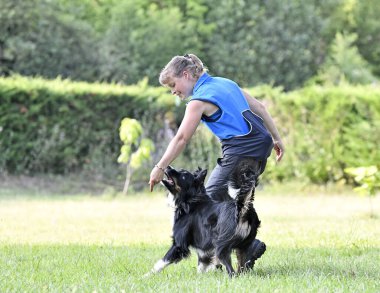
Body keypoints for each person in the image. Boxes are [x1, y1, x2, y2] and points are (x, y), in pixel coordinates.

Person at [149, 53, 285, 269]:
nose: (174, 91)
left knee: (207, 203)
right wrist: (277, 138)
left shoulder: (199, 100)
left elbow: (182, 138)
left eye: (174, 85)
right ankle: (243, 252)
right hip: (261, 146)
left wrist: (160, 167)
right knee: (237, 203)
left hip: (241, 150)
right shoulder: (225, 83)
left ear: (186, 75)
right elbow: (260, 107)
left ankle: (241, 249)